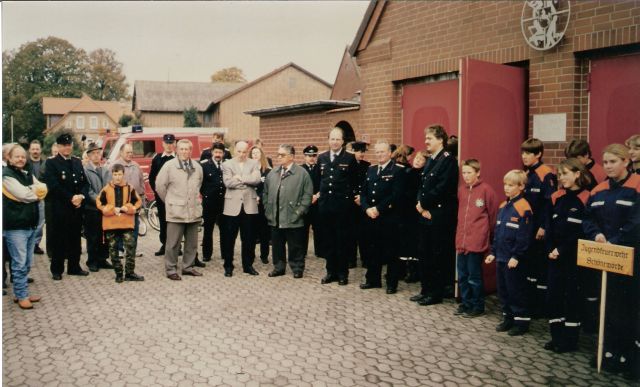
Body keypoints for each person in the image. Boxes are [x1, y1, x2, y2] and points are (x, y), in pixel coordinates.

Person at [583, 144, 640, 380]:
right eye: (605, 162)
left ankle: (630, 357)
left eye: (613, 162)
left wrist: (616, 241)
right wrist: (595, 234)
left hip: (632, 259)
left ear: (626, 162)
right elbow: (588, 218)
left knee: (629, 308)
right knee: (609, 306)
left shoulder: (636, 186)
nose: (608, 166)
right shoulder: (598, 191)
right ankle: (609, 351)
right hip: (606, 258)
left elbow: (637, 222)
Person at [543, 158, 591, 353]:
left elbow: (581, 231)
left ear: (577, 174)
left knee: (571, 298)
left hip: (573, 258)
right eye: (560, 174)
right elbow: (549, 226)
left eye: (565, 173)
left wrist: (561, 250)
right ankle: (556, 338)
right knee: (553, 297)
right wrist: (550, 249)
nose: (561, 178)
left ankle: (570, 341)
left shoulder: (588, 197)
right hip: (554, 257)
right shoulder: (557, 197)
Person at [412, 124, 459, 306]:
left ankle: (435, 292)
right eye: (426, 138)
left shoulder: (448, 161)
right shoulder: (431, 159)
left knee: (436, 254)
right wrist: (420, 203)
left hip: (438, 214)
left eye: (429, 138)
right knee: (424, 252)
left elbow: (443, 188)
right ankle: (425, 289)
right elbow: (423, 185)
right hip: (425, 212)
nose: (426, 141)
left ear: (440, 139)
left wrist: (424, 205)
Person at [485, 170, 533, 336]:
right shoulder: (503, 207)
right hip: (501, 257)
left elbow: (524, 237)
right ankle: (508, 319)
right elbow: (498, 233)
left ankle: (521, 322)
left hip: (513, 260)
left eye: (511, 185)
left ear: (521, 187)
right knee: (503, 290)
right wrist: (493, 251)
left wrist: (516, 256)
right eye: (505, 184)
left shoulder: (524, 208)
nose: (506, 188)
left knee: (516, 291)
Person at [2, 145, 47, 309]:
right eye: (17, 157)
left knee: (27, 262)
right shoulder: (6, 175)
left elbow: (43, 187)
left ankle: (21, 293)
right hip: (16, 226)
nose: (21, 159)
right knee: (19, 263)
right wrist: (32, 192)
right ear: (9, 158)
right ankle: (21, 296)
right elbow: (25, 195)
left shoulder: (26, 172)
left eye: (23, 156)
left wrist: (30, 191)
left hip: (29, 224)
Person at [359, 141, 405, 294]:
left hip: (388, 217)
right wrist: (366, 208)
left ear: (390, 153)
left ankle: (391, 283)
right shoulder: (371, 170)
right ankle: (373, 279)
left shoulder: (398, 170)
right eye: (377, 152)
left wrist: (378, 209)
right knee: (372, 249)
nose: (379, 154)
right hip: (371, 216)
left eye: (382, 152)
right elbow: (364, 192)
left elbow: (396, 195)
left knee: (391, 251)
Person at [42, 133, 90, 280]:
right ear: (58, 146)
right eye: (63, 145)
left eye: (69, 145)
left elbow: (84, 183)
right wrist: (71, 198)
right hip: (60, 208)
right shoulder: (51, 163)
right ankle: (57, 269)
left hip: (76, 208)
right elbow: (54, 186)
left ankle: (74, 267)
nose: (67, 147)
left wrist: (81, 196)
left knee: (75, 238)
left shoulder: (76, 161)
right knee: (59, 240)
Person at [454, 159, 498, 318]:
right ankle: (466, 304)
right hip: (462, 241)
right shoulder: (461, 190)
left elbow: (493, 217)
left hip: (476, 241)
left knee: (474, 276)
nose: (466, 176)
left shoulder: (487, 190)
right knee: (463, 275)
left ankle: (478, 306)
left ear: (478, 172)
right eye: (464, 173)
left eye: (469, 172)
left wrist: (489, 238)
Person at [156, 139, 204, 280]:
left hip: (193, 211)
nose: (184, 152)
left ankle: (188, 267)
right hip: (176, 211)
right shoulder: (169, 166)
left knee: (192, 243)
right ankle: (171, 269)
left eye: (187, 149)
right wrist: (170, 201)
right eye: (181, 149)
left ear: (191, 150)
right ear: (177, 150)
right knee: (173, 243)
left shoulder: (197, 167)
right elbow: (160, 186)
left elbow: (198, 185)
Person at [263, 144, 313, 278]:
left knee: (295, 245)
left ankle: (297, 267)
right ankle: (279, 267)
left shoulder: (302, 174)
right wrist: (268, 210)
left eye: (282, 155)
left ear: (291, 157)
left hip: (293, 217)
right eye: (278, 154)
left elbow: (307, 195)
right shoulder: (273, 173)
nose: (279, 157)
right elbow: (266, 193)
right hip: (275, 216)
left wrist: (299, 212)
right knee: (277, 245)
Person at [317, 127, 358, 285]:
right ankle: (330, 272)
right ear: (328, 140)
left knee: (342, 241)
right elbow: (318, 181)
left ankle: (342, 273)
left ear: (342, 141)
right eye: (332, 139)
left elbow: (354, 182)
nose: (334, 142)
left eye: (337, 139)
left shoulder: (349, 158)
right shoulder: (322, 158)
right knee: (328, 240)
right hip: (326, 206)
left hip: (342, 207)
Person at [521, 138, 556, 317]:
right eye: (523, 153)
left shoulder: (546, 173)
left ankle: (540, 308)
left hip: (539, 230)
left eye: (528, 153)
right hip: (528, 228)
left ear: (538, 154)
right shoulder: (527, 173)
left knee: (539, 268)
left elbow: (549, 204)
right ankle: (531, 303)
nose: (524, 156)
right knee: (530, 268)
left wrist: (543, 227)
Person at [96, 164, 144, 282]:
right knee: (113, 250)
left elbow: (138, 202)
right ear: (112, 175)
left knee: (130, 248)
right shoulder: (106, 189)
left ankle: (129, 273)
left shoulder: (129, 188)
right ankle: (118, 273)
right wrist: (111, 209)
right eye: (115, 174)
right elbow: (99, 203)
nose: (117, 177)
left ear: (123, 174)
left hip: (126, 223)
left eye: (120, 174)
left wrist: (130, 208)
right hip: (111, 224)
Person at [220, 141, 262, 277]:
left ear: (247, 151)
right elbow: (228, 183)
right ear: (234, 150)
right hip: (232, 206)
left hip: (249, 206)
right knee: (229, 238)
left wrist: (239, 178)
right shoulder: (227, 164)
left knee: (249, 238)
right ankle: (228, 265)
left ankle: (247, 265)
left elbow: (256, 180)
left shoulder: (254, 163)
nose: (242, 154)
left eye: (244, 151)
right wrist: (246, 181)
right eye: (239, 151)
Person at [111, 143, 145, 257]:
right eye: (127, 152)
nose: (130, 154)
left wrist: (142, 201)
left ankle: (132, 250)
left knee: (134, 226)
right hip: (120, 202)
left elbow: (141, 183)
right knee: (120, 226)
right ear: (121, 153)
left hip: (134, 202)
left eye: (131, 152)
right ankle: (120, 249)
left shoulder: (136, 165)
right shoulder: (114, 165)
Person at [83, 143, 113, 272]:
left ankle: (103, 259)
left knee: (105, 235)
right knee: (93, 235)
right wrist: (100, 201)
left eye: (98, 153)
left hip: (106, 208)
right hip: (92, 208)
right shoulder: (85, 170)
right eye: (93, 153)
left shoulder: (106, 169)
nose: (96, 155)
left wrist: (108, 201)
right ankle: (92, 261)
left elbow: (110, 186)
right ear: (89, 156)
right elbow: (88, 190)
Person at [398, 150, 425, 283]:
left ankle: (413, 271)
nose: (417, 161)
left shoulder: (422, 175)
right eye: (417, 158)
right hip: (405, 211)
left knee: (413, 242)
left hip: (415, 212)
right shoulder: (407, 171)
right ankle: (403, 270)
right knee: (404, 240)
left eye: (421, 160)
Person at [149, 134, 176, 257]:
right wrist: (156, 192)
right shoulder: (157, 159)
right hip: (161, 197)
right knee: (163, 221)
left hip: (176, 197)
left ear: (174, 144)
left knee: (176, 223)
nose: (169, 145)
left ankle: (176, 246)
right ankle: (164, 245)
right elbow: (151, 177)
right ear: (163, 144)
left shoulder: (178, 158)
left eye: (171, 143)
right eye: (167, 143)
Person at [199, 142, 226, 262]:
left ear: (223, 153)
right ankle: (206, 254)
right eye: (216, 152)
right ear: (212, 153)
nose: (218, 154)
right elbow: (200, 183)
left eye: (220, 152)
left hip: (224, 203)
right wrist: (205, 195)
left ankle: (225, 253)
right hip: (209, 203)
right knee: (208, 230)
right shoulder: (204, 166)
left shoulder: (227, 165)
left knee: (225, 231)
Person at [346, 141, 370, 269]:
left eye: (363, 152)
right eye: (360, 151)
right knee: (351, 233)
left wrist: (362, 197)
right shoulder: (348, 164)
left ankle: (365, 258)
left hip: (362, 203)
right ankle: (351, 259)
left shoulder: (367, 165)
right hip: (351, 203)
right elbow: (346, 183)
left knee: (363, 233)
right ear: (354, 152)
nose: (362, 154)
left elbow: (368, 184)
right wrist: (353, 196)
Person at [249, 145, 272, 264]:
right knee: (251, 231)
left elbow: (269, 188)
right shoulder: (248, 170)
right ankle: (251, 255)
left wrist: (260, 197)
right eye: (253, 153)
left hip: (263, 205)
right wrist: (253, 196)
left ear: (261, 155)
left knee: (264, 232)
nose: (255, 155)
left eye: (257, 153)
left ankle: (264, 255)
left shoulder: (268, 171)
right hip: (250, 204)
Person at [300, 145, 323, 258]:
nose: (312, 158)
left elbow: (323, 184)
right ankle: (302, 251)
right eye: (309, 156)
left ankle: (320, 251)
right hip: (305, 203)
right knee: (304, 228)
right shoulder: (300, 169)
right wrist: (308, 197)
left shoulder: (321, 169)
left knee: (319, 227)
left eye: (314, 155)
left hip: (318, 202)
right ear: (304, 156)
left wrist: (317, 196)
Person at [26, 140, 46, 255]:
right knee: (29, 221)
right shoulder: (25, 163)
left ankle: (36, 244)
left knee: (40, 222)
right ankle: (28, 243)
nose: (35, 151)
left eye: (37, 149)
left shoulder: (45, 163)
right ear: (29, 150)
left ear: (40, 150)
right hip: (28, 197)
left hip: (41, 198)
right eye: (33, 149)